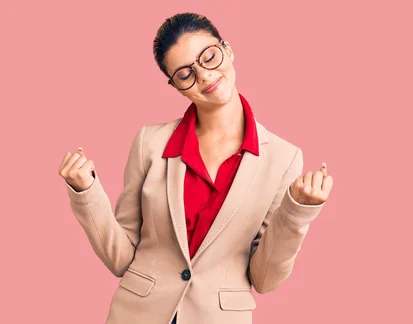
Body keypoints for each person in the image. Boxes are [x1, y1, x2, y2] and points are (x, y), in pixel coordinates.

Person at [57, 12, 333, 324]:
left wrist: (296, 212)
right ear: (176, 86)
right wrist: (86, 193)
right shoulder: (150, 143)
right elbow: (121, 259)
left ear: (227, 50)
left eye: (209, 57)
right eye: (185, 73)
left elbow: (265, 279)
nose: (203, 75)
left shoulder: (284, 158)